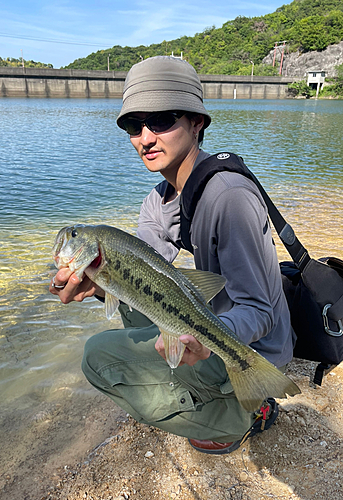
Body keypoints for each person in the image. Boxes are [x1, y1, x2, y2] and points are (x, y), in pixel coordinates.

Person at [50, 56, 295, 455]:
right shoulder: (157, 201)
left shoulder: (229, 198)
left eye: (162, 120)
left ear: (197, 122)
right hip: (214, 319)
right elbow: (135, 273)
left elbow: (261, 310)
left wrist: (206, 342)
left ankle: (239, 416)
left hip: (256, 345)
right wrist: (93, 287)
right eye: (134, 125)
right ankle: (216, 392)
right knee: (131, 305)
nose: (145, 137)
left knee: (98, 358)